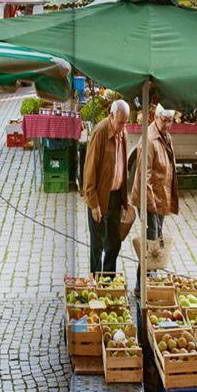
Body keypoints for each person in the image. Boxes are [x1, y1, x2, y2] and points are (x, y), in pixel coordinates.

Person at [81, 98, 131, 273]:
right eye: (120, 123)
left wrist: (125, 199)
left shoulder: (122, 133)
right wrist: (93, 203)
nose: (123, 127)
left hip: (116, 196)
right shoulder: (100, 132)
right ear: (111, 116)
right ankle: (95, 280)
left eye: (126, 123)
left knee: (114, 242)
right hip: (100, 197)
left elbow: (123, 165)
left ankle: (108, 280)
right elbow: (89, 170)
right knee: (97, 244)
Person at [129, 104, 179, 241]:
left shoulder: (166, 136)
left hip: (159, 197)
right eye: (164, 120)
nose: (168, 124)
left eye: (170, 121)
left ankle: (149, 262)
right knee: (152, 237)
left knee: (156, 236)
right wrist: (152, 206)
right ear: (155, 117)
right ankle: (146, 262)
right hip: (149, 199)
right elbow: (145, 176)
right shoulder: (150, 140)